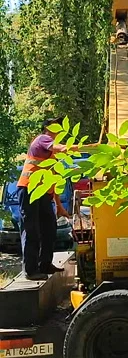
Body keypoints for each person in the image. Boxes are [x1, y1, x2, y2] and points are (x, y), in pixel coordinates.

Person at [17, 116, 73, 281]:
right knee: (32, 229)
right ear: (48, 128)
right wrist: (86, 147)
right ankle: (31, 270)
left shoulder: (52, 155)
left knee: (49, 227)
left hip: (43, 193)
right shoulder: (43, 140)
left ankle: (45, 264)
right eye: (56, 126)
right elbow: (60, 148)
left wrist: (59, 206)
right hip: (29, 189)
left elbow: (53, 182)